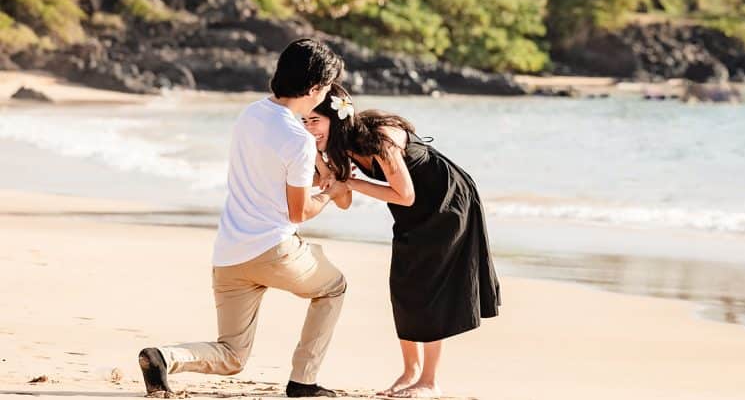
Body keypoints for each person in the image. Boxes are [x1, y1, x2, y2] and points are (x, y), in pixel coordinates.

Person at [138, 38, 350, 398]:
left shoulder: (251, 113)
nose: (327, 93)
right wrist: (329, 192)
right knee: (334, 287)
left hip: (229, 254)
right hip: (274, 252)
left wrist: (317, 167)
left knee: (232, 355)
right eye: (327, 87)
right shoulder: (298, 139)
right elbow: (300, 212)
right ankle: (303, 382)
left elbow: (269, 172)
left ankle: (164, 357)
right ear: (315, 88)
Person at [302, 84, 500, 399]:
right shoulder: (338, 146)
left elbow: (403, 195)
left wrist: (349, 180)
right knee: (404, 287)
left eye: (315, 121)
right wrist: (319, 160)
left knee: (429, 288)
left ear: (336, 119)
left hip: (446, 203)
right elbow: (342, 198)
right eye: (305, 122)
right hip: (413, 212)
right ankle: (410, 372)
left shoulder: (378, 140)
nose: (309, 128)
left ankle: (430, 380)